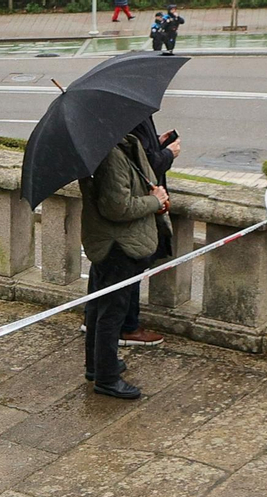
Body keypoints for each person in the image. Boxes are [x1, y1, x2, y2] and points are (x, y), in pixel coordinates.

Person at [80, 130, 172, 399]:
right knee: (111, 313)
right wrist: (154, 200)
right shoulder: (109, 155)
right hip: (116, 246)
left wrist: (154, 197)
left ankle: (97, 365)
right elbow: (116, 207)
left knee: (100, 307)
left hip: (113, 243)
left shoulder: (123, 145)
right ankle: (107, 378)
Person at [114, 115, 184, 353]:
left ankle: (99, 321)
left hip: (113, 231)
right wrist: (168, 154)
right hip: (132, 218)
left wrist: (156, 141)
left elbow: (137, 148)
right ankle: (127, 327)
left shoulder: (122, 116)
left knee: (111, 273)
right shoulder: (127, 115)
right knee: (130, 268)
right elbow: (140, 163)